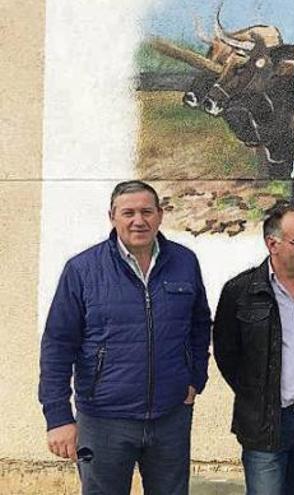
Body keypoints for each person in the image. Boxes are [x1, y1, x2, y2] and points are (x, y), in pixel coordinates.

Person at [38, 180, 211, 494]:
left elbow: (200, 325)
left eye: (146, 211)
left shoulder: (185, 262)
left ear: (160, 214)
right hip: (103, 420)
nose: (138, 220)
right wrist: (58, 416)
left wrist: (195, 379)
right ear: (112, 217)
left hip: (170, 416)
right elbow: (58, 345)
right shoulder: (82, 270)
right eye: (128, 212)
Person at [213, 204, 294, 495]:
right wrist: (258, 393)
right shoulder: (240, 290)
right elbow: (226, 354)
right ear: (272, 243)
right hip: (265, 421)